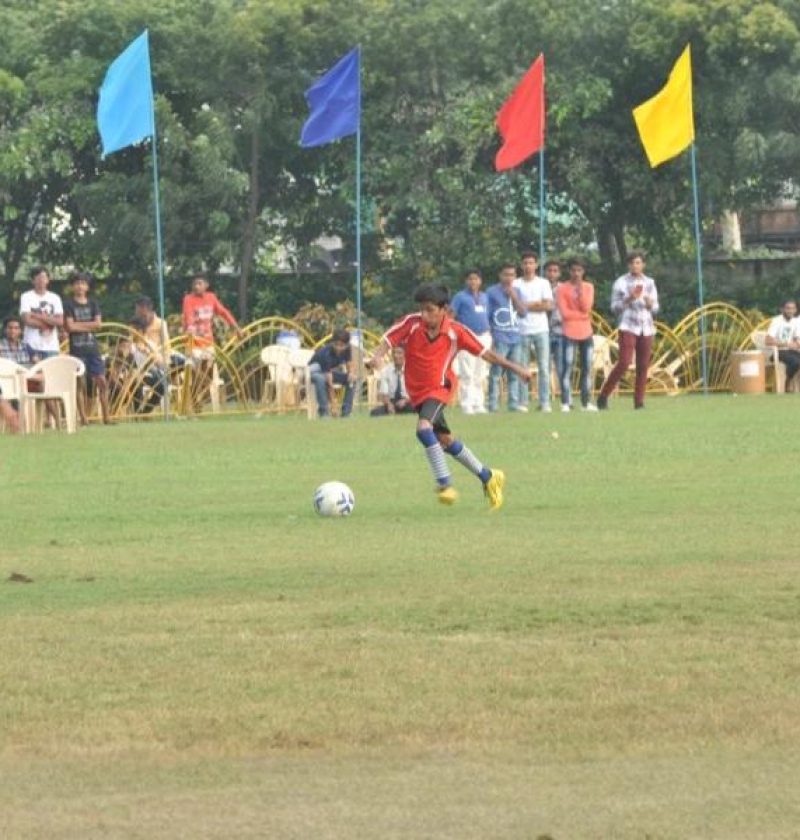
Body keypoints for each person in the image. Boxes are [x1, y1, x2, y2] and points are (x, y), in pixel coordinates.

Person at [365, 283, 532, 509]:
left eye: (430, 309)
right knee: (445, 440)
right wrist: (376, 358)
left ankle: (445, 485)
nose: (424, 314)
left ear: (444, 309)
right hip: (417, 393)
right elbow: (388, 341)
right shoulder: (412, 323)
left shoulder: (456, 332)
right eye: (422, 309)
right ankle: (488, 476)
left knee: (424, 429)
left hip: (440, 387)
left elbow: (488, 355)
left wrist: (517, 368)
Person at [597, 252, 659, 410]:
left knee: (643, 365)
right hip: (628, 326)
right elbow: (614, 308)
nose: (635, 266)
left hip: (646, 327)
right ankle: (604, 395)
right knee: (624, 362)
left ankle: (639, 402)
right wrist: (629, 298)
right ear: (628, 265)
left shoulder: (650, 282)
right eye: (632, 263)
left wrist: (650, 303)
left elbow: (656, 308)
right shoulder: (621, 282)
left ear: (643, 264)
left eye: (638, 263)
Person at [63, 272, 112, 425]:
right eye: (77, 283)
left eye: (83, 283)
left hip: (92, 348)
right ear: (72, 286)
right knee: (79, 383)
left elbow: (98, 324)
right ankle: (83, 418)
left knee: (102, 381)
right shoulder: (69, 305)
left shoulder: (93, 304)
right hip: (77, 349)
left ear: (87, 287)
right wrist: (88, 325)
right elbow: (69, 326)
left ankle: (107, 417)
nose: (80, 286)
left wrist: (78, 326)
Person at [514, 251, 553, 412]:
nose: (528, 266)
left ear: (536, 265)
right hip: (521, 329)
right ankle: (523, 402)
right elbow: (515, 306)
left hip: (541, 329)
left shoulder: (543, 283)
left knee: (544, 367)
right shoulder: (515, 284)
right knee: (522, 367)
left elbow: (548, 305)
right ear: (522, 265)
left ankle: (545, 402)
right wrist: (535, 304)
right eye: (525, 263)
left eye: (531, 263)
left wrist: (526, 305)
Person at [556, 258, 597, 412]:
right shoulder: (562, 288)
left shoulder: (588, 287)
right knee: (568, 366)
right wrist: (580, 315)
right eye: (573, 270)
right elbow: (565, 313)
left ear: (583, 272)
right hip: (569, 331)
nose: (576, 274)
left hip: (586, 332)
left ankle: (586, 403)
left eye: (579, 270)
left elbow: (587, 308)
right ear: (569, 271)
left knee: (587, 368)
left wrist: (580, 293)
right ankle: (565, 402)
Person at [485, 263, 527, 412]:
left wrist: (514, 296)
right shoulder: (491, 292)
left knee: (514, 373)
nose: (509, 278)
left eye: (512, 275)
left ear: (515, 277)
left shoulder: (518, 291)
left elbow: (523, 313)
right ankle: (493, 405)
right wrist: (491, 338)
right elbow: (487, 315)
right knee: (496, 373)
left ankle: (513, 405)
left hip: (515, 337)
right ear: (500, 275)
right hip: (499, 336)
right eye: (506, 274)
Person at [450, 269, 491, 413]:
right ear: (466, 281)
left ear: (480, 281)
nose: (473, 282)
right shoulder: (460, 297)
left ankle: (478, 403)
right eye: (470, 279)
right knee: (467, 371)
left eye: (476, 279)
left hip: (484, 336)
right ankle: (467, 404)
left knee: (481, 371)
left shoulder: (484, 297)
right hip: (467, 336)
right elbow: (451, 316)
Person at [181, 273, 242, 351]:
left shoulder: (211, 297)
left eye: (200, 283)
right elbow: (189, 317)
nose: (196, 286)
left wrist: (236, 328)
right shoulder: (188, 299)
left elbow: (224, 312)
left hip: (208, 341)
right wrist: (190, 331)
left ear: (206, 285)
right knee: (197, 360)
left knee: (210, 361)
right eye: (194, 284)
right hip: (193, 341)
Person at [308, 328, 356, 418]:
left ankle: (346, 412)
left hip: (327, 371)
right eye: (336, 344)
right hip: (313, 371)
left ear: (346, 345)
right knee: (321, 379)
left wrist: (351, 373)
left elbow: (349, 363)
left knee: (352, 380)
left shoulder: (348, 349)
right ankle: (324, 413)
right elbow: (329, 383)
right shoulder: (326, 354)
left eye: (341, 345)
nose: (338, 348)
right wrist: (334, 405)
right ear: (332, 342)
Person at [19, 266, 63, 362]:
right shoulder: (26, 296)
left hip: (51, 347)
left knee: (51, 375)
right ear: (32, 280)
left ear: (48, 280)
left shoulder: (55, 298)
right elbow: (27, 320)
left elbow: (60, 321)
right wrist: (50, 322)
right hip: (31, 345)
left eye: (44, 277)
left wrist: (37, 316)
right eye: (38, 278)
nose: (41, 280)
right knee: (31, 375)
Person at [370, 346, 415, 416]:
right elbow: (384, 393)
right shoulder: (386, 371)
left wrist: (405, 401)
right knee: (375, 412)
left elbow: (417, 392)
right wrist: (388, 404)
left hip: (407, 401)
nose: (396, 355)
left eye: (399, 353)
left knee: (417, 409)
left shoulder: (412, 370)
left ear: (405, 355)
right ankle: (394, 412)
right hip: (392, 402)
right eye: (394, 353)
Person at [765, 300, 800, 385]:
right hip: (777, 352)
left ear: (795, 310)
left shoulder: (795, 321)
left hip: (790, 351)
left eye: (792, 308)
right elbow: (768, 340)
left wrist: (797, 344)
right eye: (788, 308)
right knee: (795, 361)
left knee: (795, 359)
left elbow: (797, 338)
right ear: (782, 309)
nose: (790, 311)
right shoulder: (777, 321)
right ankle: (787, 382)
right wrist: (786, 344)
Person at [544, 260, 565, 399]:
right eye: (549, 270)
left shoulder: (564, 288)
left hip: (560, 330)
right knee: (544, 367)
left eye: (555, 271)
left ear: (559, 273)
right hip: (543, 331)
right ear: (545, 272)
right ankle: (544, 398)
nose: (552, 273)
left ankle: (566, 398)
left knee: (562, 366)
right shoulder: (539, 286)